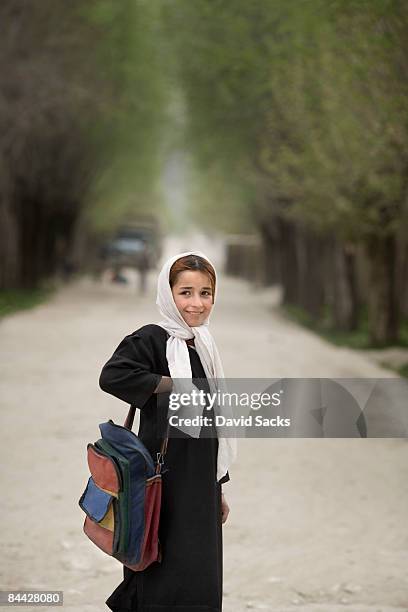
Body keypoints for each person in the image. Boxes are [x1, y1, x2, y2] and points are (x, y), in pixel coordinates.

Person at [99, 250, 237, 612]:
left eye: (205, 293)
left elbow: (213, 427)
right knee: (158, 573)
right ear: (168, 293)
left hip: (199, 486)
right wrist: (171, 384)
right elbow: (112, 375)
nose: (196, 303)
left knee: (200, 578)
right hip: (161, 481)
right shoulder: (153, 338)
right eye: (186, 292)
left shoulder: (204, 344)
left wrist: (217, 487)